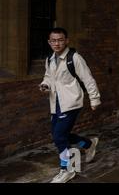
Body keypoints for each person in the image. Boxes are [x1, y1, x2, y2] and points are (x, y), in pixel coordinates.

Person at [39, 28, 101, 183]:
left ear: (66, 40)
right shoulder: (50, 59)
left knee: (59, 136)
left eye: (60, 40)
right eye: (53, 40)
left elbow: (88, 79)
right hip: (55, 103)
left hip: (72, 102)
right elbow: (48, 77)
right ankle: (88, 144)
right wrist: (45, 84)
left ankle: (67, 169)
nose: (57, 43)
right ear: (49, 42)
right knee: (61, 135)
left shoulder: (75, 58)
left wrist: (94, 99)